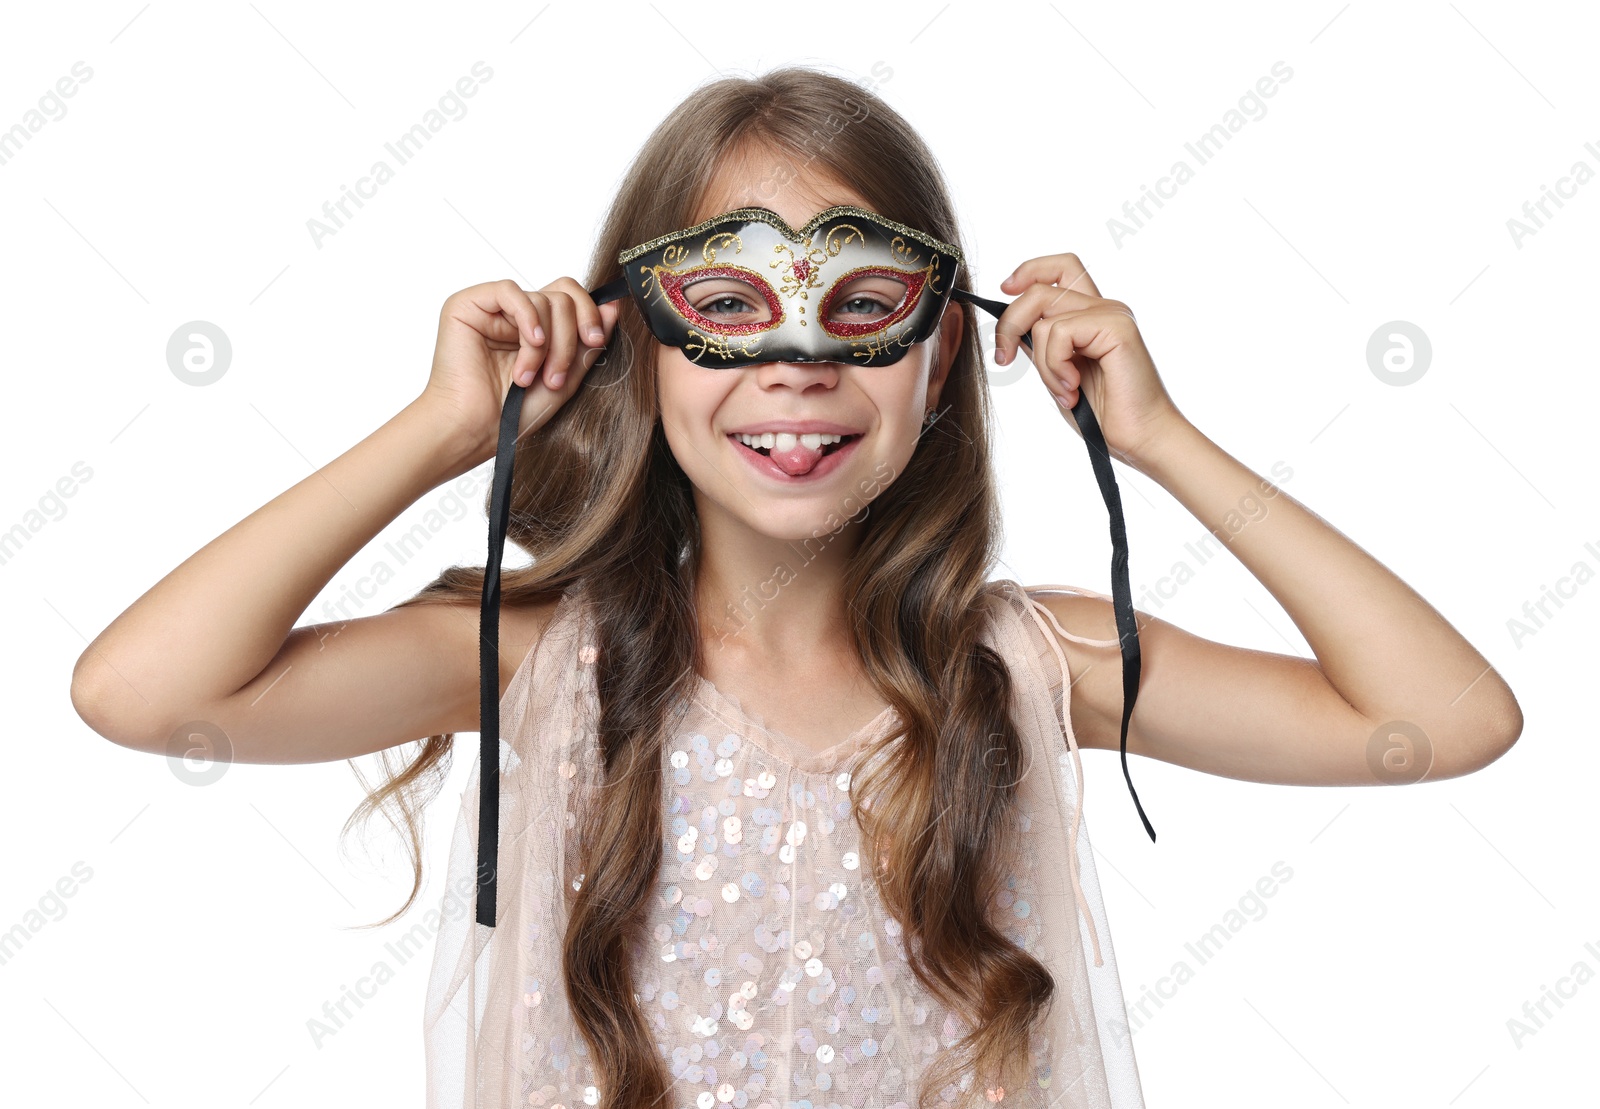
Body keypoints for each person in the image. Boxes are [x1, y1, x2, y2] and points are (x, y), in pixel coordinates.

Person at [69, 66, 1523, 1109]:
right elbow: (146, 690)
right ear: (639, 339)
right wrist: (447, 430)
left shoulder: (1017, 662)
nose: (801, 364)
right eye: (729, 304)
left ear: (942, 354)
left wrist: (1162, 441)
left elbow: (1446, 718)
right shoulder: (540, 657)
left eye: (865, 307)